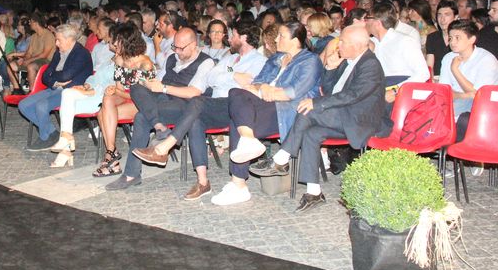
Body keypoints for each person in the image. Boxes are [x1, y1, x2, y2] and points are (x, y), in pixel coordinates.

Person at [250, 26, 389, 212]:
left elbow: (353, 95)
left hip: (359, 120)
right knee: (311, 133)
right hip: (342, 115)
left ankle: (281, 158)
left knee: (308, 110)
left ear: (357, 45)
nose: (338, 45)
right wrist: (331, 69)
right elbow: (332, 91)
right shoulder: (348, 61)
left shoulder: (370, 65)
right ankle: (314, 192)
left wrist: (317, 103)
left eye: (343, 42)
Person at [133, 19, 267, 200]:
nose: (229, 38)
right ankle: (203, 182)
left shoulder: (259, 61)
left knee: (196, 101)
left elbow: (248, 84)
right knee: (196, 120)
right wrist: (234, 75)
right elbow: (212, 78)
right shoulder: (230, 58)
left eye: (233, 35)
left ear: (243, 37)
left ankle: (164, 147)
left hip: (235, 106)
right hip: (215, 103)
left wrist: (227, 76)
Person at [207, 21, 322, 205]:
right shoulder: (277, 58)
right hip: (266, 104)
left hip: (289, 113)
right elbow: (258, 81)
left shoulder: (310, 61)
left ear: (295, 41)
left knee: (239, 119)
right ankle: (247, 142)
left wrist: (268, 92)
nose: (276, 39)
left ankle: (239, 184)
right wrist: (263, 89)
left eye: (281, 36)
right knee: (236, 94)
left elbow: (293, 93)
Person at [105, 27, 215, 191]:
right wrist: (147, 83)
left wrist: (162, 88)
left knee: (141, 117)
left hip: (184, 104)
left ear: (193, 45)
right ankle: (159, 126)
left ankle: (131, 174)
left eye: (180, 48)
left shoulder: (206, 62)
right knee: (136, 87)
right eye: (174, 47)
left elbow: (194, 93)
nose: (176, 51)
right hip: (164, 99)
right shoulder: (173, 58)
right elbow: (158, 80)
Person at [93, 24, 156, 177]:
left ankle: (111, 158)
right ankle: (112, 152)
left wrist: (118, 92)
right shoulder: (120, 60)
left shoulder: (145, 64)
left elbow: (144, 95)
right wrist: (113, 91)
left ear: (128, 42)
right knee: (107, 99)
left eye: (117, 41)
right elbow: (120, 88)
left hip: (142, 102)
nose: (113, 45)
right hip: (126, 98)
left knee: (102, 114)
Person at [19, 24, 93, 151]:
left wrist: (54, 77)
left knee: (41, 106)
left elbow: (65, 76)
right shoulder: (59, 53)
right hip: (55, 88)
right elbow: (45, 76)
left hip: (70, 91)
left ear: (70, 39)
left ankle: (45, 138)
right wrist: (56, 81)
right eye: (56, 40)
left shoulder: (81, 53)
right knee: (23, 105)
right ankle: (51, 132)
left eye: (59, 40)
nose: (56, 43)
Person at [438, 20, 498, 140]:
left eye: (457, 38)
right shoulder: (448, 57)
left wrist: (455, 70)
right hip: (456, 101)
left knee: (451, 116)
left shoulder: (486, 59)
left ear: (472, 39)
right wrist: (464, 95)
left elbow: (478, 95)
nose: (452, 42)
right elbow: (444, 91)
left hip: (484, 105)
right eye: (450, 38)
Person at [425, 0, 457, 77]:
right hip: (437, 79)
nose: (442, 19)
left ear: (455, 17)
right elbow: (430, 65)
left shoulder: (462, 38)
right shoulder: (432, 37)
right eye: (439, 15)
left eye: (447, 15)